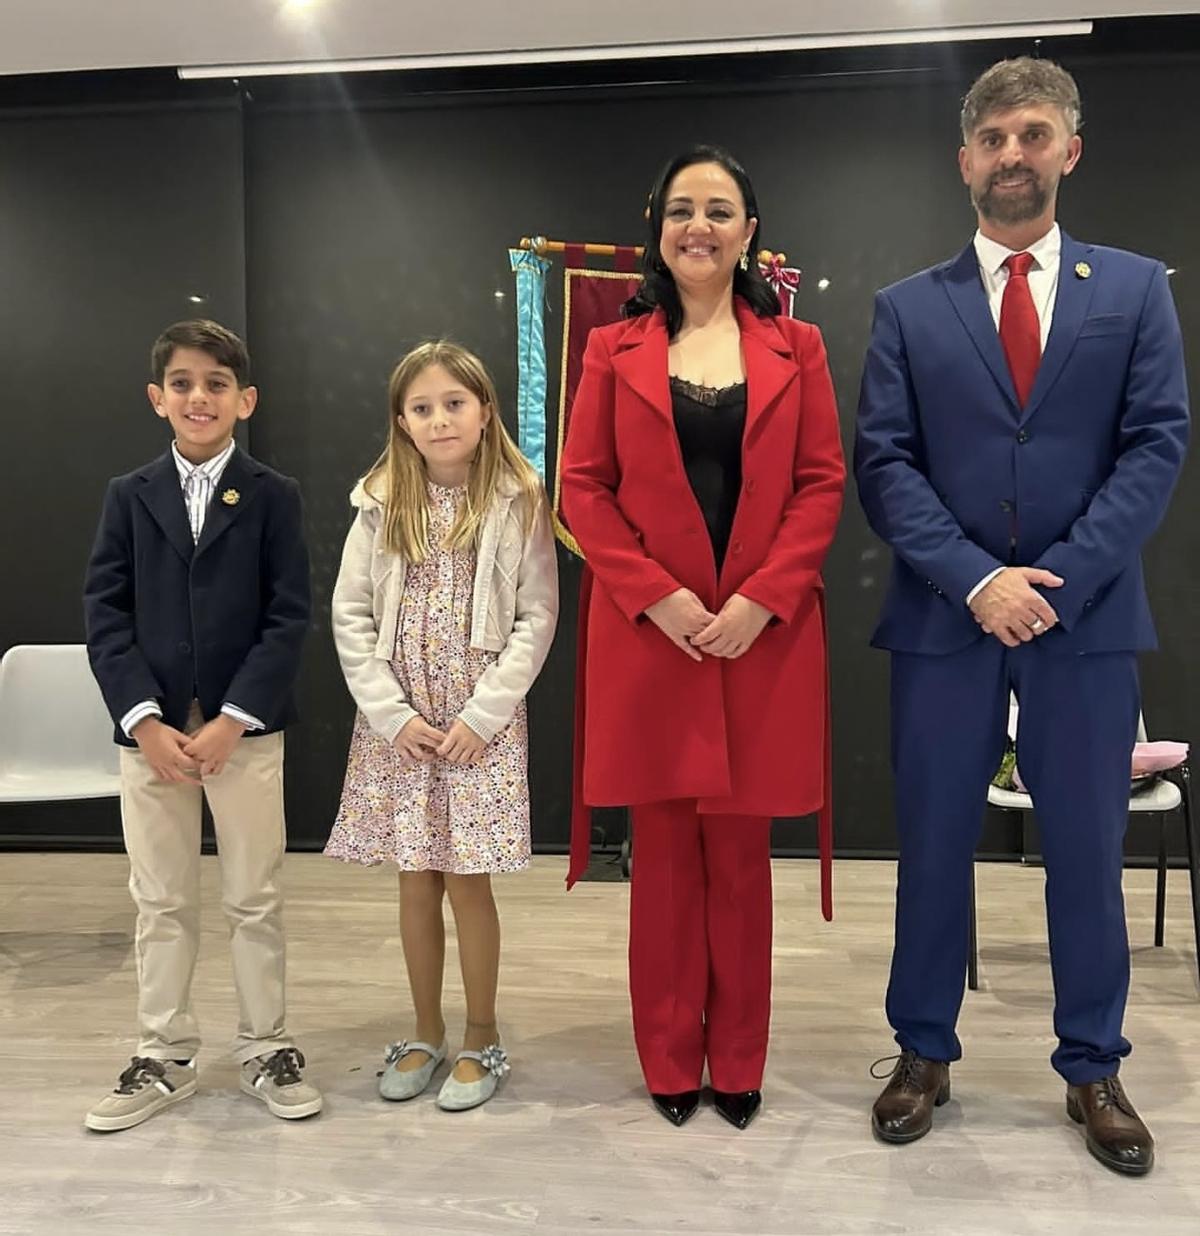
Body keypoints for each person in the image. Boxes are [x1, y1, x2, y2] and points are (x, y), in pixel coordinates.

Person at [855, 57, 1189, 1175]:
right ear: (964, 161)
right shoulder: (907, 308)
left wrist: (1055, 581)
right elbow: (886, 465)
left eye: (1032, 134)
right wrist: (976, 581)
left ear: (1069, 151)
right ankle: (922, 1052)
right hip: (945, 621)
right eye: (993, 137)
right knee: (934, 847)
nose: (1012, 154)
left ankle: (1093, 1064)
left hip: (1084, 622)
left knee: (1088, 850)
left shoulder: (1136, 290)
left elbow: (1156, 446)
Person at [560, 145, 845, 1130]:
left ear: (749, 230)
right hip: (656, 639)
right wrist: (659, 598)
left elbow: (820, 484)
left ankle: (741, 1059)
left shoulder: (795, 348)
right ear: (658, 228)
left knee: (741, 862)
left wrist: (765, 597)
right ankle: (670, 1058)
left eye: (719, 209)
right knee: (665, 868)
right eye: (682, 209)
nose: (699, 226)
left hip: (760, 637)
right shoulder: (614, 348)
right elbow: (583, 491)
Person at [83, 319, 320, 1131]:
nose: (199, 397)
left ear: (244, 400)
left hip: (244, 735)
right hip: (151, 740)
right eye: (182, 383)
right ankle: (164, 1053)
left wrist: (232, 719)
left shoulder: (272, 496)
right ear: (158, 398)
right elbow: (104, 615)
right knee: (161, 899)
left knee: (254, 896)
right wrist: (145, 720)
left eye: (217, 384)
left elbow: (288, 618)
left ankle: (266, 1044)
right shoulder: (128, 495)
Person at [326, 340, 558, 1112]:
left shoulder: (519, 500)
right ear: (402, 420)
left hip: (476, 729)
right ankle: (424, 1031)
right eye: (421, 407)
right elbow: (351, 616)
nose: (439, 419)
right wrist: (391, 716)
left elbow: (536, 618)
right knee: (415, 880)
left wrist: (483, 716)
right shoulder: (380, 501)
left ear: (484, 409)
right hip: (402, 727)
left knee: (468, 882)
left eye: (453, 403)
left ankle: (481, 1035)